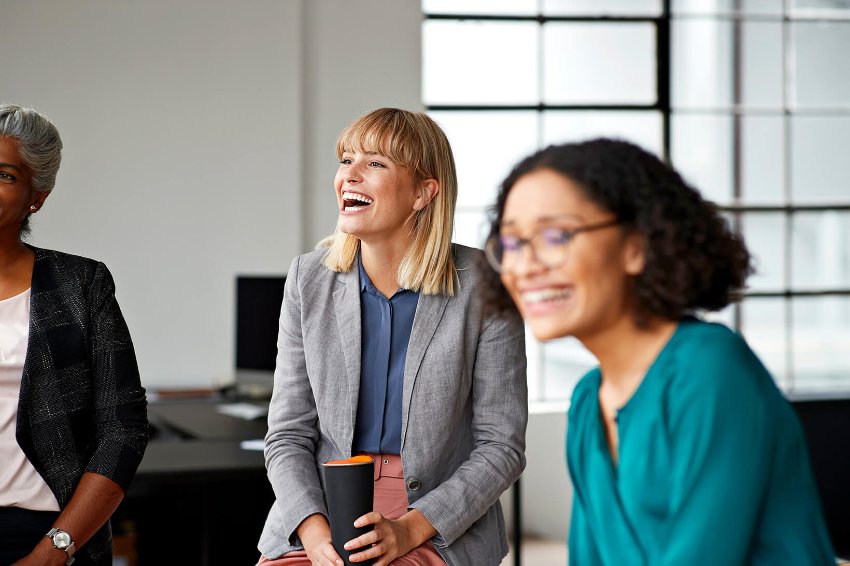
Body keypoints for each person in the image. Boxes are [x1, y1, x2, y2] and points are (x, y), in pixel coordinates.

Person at [481, 138, 835, 564]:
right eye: (512, 244)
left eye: (555, 236)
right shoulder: (588, 401)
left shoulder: (710, 369)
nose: (524, 266)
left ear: (636, 244)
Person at [256, 108, 527, 566]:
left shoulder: (484, 283)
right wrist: (315, 532)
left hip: (436, 523)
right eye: (346, 160)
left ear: (424, 192)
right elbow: (287, 434)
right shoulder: (308, 279)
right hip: (320, 512)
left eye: (376, 163)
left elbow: (501, 445)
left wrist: (409, 530)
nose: (350, 176)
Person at [0, 104, 148, 565]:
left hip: (42, 532)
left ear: (36, 196)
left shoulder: (80, 283)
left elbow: (122, 430)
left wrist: (54, 551)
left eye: (4, 175)